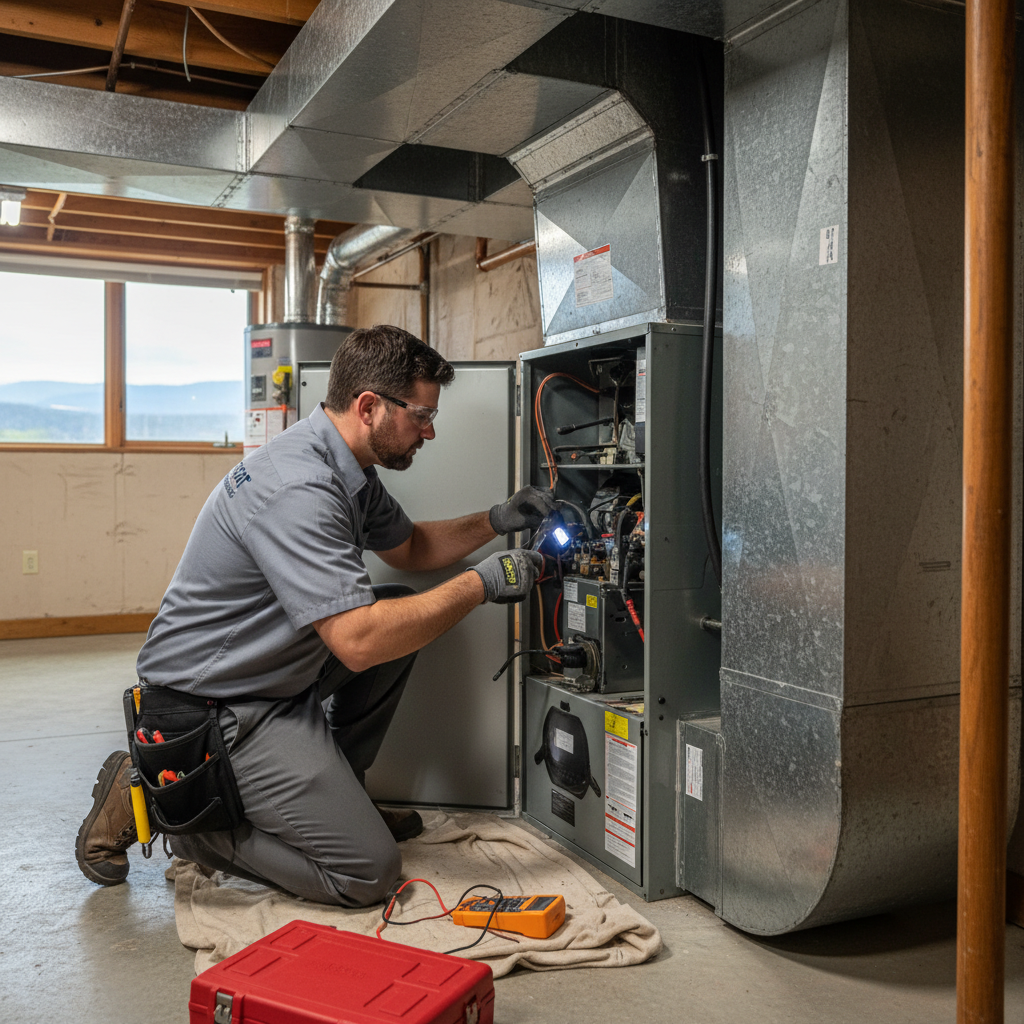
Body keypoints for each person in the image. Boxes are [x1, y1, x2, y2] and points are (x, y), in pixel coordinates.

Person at [75, 324, 552, 907]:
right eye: (422, 415)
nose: (429, 430)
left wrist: (496, 519)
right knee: (368, 873)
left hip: (271, 678)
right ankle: (182, 819)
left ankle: (335, 797)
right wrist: (482, 583)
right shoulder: (300, 486)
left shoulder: (347, 466)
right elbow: (355, 642)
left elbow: (410, 549)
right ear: (369, 406)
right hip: (216, 710)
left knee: (398, 612)